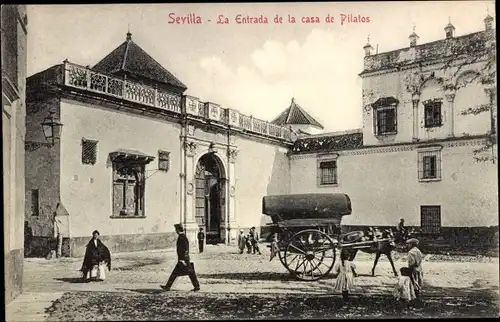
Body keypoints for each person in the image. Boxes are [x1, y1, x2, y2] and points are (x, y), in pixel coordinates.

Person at [161, 224, 200, 291]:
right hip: (183, 259)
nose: (175, 231)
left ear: (178, 230)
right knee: (180, 273)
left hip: (183, 260)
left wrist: (183, 259)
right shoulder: (182, 237)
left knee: (189, 273)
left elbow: (185, 249)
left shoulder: (182, 237)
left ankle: (168, 286)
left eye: (176, 230)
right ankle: (168, 286)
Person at [407, 238, 424, 303]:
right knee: (418, 283)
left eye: (409, 244)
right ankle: (417, 298)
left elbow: (411, 263)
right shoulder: (418, 251)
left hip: (413, 269)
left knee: (413, 284)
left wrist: (409, 271)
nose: (408, 246)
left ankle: (414, 300)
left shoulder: (411, 252)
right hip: (419, 268)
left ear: (411, 245)